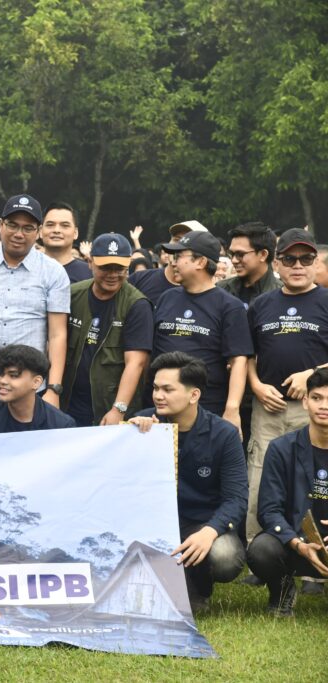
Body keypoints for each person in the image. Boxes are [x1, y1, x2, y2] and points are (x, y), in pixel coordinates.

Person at [127, 352, 247, 612]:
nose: (158, 396)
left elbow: (236, 499)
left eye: (168, 389)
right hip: (155, 523)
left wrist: (210, 530)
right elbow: (122, 483)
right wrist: (132, 438)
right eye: (156, 388)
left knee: (224, 555)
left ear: (194, 395)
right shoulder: (143, 424)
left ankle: (199, 584)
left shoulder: (224, 434)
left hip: (201, 523)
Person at [245, 228, 328, 541]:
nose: (298, 265)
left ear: (316, 263)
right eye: (289, 259)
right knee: (259, 476)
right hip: (268, 408)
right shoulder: (261, 304)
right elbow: (246, 355)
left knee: (311, 483)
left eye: (305, 258)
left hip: (315, 410)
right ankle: (257, 548)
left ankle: (312, 550)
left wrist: (312, 374)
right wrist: (255, 385)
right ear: (276, 264)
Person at [0, 194, 70, 416]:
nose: (19, 234)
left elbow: (57, 334)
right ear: (0, 225)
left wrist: (54, 389)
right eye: (12, 225)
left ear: (38, 231)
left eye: (28, 228)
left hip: (29, 387)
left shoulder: (54, 272)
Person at [246, 368, 328, 616]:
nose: (324, 406)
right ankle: (282, 591)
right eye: (317, 398)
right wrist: (298, 544)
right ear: (305, 401)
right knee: (262, 549)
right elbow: (269, 510)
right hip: (296, 543)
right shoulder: (282, 448)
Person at [154, 230, 252, 431]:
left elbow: (238, 360)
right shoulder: (167, 298)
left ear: (200, 262)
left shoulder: (229, 306)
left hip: (206, 408)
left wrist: (232, 409)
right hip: (161, 407)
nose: (173, 262)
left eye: (179, 256)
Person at [62, 233, 153, 426]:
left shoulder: (136, 304)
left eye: (119, 268)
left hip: (110, 404)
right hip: (70, 400)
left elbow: (136, 362)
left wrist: (118, 409)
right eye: (105, 267)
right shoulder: (73, 295)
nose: (112, 275)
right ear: (90, 263)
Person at [0, 344, 76, 435]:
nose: (2, 381)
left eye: (13, 375)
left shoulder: (61, 425)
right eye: (0, 373)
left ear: (36, 382)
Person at [218, 222, 280, 306]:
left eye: (240, 254)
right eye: (232, 254)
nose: (234, 260)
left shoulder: (282, 294)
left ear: (263, 255)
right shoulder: (221, 290)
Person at [41, 202, 91, 283]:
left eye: (64, 225)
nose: (56, 230)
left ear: (75, 233)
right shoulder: (25, 268)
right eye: (50, 225)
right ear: (40, 231)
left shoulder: (89, 272)